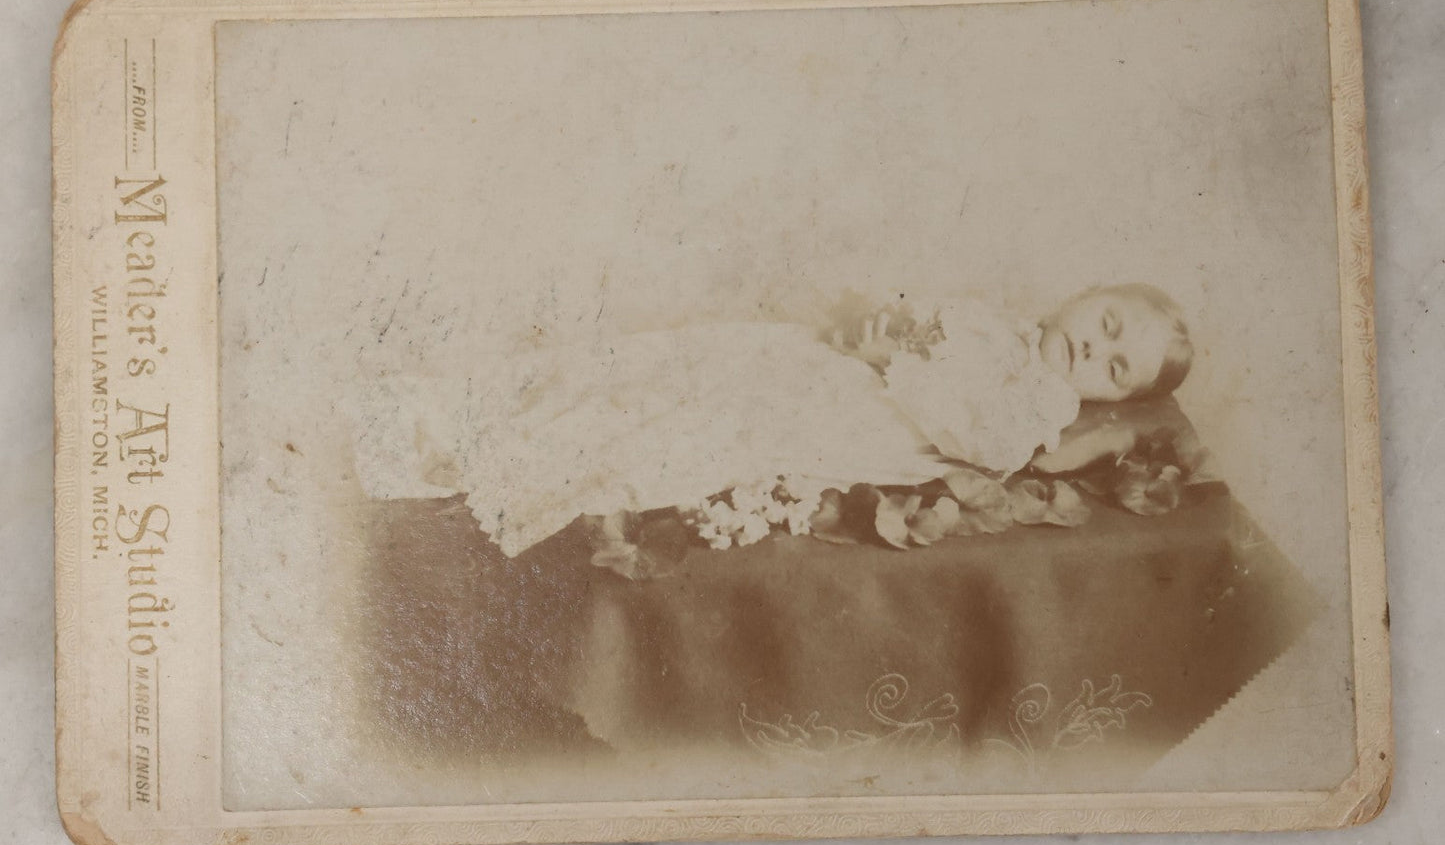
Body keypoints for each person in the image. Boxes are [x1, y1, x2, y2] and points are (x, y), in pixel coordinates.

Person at [347, 283, 1193, 556]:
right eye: (1106, 322)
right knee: (706, 355)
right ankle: (458, 412)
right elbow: (915, 327)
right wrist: (884, 332)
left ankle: (473, 453)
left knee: (708, 410)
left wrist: (890, 361)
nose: (1093, 348)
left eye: (1115, 368)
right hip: (847, 379)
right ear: (1088, 297)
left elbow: (976, 434)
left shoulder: (1040, 410)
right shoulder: (994, 322)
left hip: (868, 420)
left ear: (1111, 400)